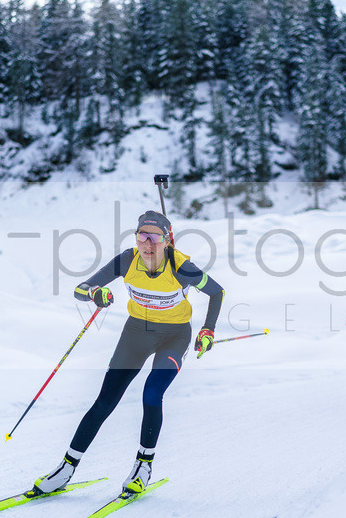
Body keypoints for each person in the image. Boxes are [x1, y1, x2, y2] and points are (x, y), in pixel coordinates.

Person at [33, 210, 224, 495]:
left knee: (151, 393)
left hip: (174, 336)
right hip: (136, 334)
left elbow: (217, 292)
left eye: (154, 237)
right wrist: (95, 293)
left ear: (167, 240)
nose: (147, 244)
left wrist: (207, 330)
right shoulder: (127, 260)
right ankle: (66, 468)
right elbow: (79, 289)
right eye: (141, 236)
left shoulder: (182, 267)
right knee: (105, 400)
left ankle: (143, 467)